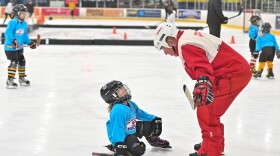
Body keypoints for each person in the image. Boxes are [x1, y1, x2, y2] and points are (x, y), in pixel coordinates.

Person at [153, 22, 251, 156]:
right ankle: (210, 145)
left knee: (208, 113)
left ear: (170, 41)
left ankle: (211, 151)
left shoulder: (185, 45)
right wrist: (203, 82)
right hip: (228, 71)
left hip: (232, 74)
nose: (165, 53)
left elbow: (202, 67)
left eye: (163, 48)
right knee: (207, 110)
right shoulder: (185, 37)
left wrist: (203, 83)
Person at [100, 80, 171, 156]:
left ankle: (153, 139)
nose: (124, 88)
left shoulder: (130, 104)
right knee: (138, 150)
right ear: (113, 96)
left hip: (130, 128)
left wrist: (154, 119)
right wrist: (119, 143)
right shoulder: (118, 110)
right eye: (119, 88)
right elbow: (118, 128)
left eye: (122, 86)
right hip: (122, 136)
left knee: (148, 126)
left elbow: (141, 114)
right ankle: (115, 148)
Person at [4, 4, 37, 89]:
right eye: (23, 13)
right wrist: (14, 41)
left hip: (19, 47)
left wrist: (30, 43)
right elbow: (8, 33)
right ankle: (9, 80)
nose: (25, 14)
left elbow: (25, 35)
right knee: (14, 61)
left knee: (22, 61)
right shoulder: (12, 22)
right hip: (10, 47)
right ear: (17, 13)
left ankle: (21, 78)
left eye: (25, 13)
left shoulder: (24, 23)